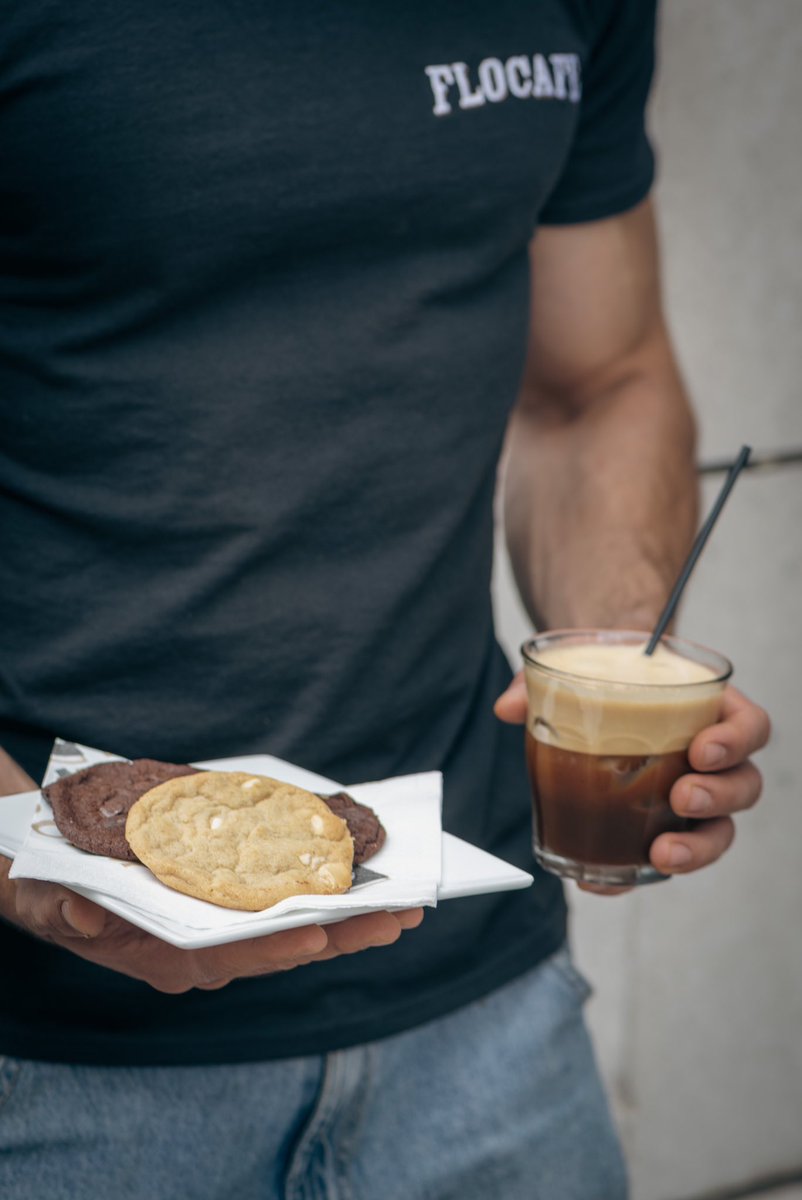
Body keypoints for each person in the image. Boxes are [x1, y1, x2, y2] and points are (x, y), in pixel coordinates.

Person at [0, 2, 770, 1197]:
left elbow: (596, 384)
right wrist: (19, 856)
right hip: (47, 1067)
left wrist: (622, 676)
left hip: (485, 1010)